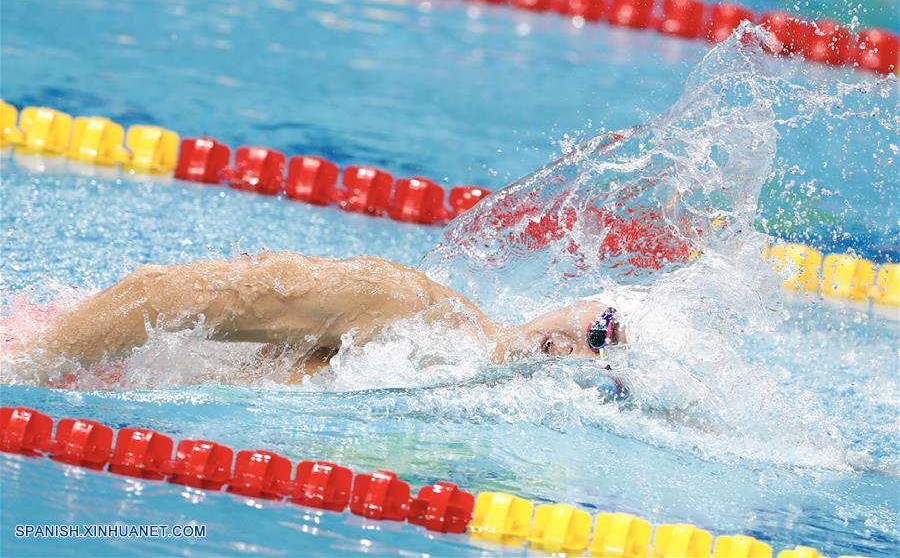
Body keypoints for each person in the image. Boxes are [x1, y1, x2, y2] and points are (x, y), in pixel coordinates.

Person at [17, 251, 625, 383]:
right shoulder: (406, 305)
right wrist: (22, 366)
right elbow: (156, 297)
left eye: (606, 359)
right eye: (603, 328)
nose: (584, 349)